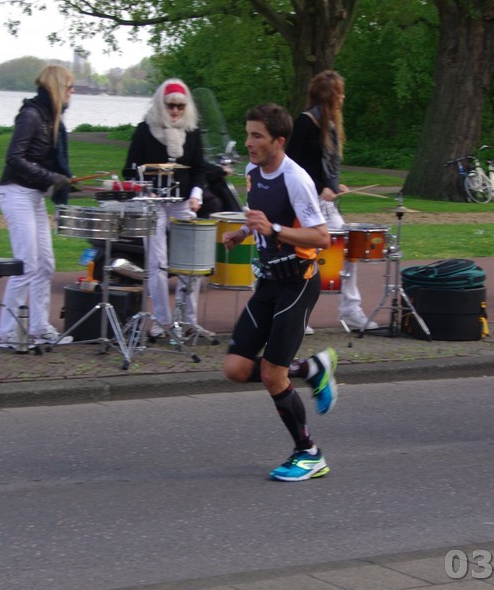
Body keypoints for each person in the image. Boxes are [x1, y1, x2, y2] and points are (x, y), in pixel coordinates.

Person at [221, 103, 339, 482]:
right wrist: (243, 232)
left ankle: (309, 453)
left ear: (279, 141)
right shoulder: (252, 171)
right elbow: (261, 217)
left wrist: (272, 230)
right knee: (236, 368)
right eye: (247, 134)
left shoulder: (296, 179)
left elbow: (321, 237)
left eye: (257, 136)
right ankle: (311, 368)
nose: (248, 142)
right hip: (269, 281)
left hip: (298, 283)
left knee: (273, 375)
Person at [125, 79, 227, 339]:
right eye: (170, 106)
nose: (175, 111)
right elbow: (130, 169)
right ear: (161, 104)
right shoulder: (145, 130)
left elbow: (199, 168)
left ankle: (188, 319)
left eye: (180, 107)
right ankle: (161, 321)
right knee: (156, 262)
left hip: (181, 201)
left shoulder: (191, 131)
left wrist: (195, 195)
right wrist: (144, 190)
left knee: (191, 260)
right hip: (153, 203)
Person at [285, 70, 378, 332]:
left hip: (324, 205)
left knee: (348, 249)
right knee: (302, 258)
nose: (343, 98)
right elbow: (292, 168)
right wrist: (319, 188)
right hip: (304, 205)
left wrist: (335, 186)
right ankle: (296, 314)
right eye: (339, 93)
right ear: (328, 96)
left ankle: (350, 310)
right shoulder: (304, 123)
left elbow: (325, 168)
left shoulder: (330, 126)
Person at [0, 65, 76, 347]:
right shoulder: (31, 115)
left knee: (45, 265)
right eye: (69, 87)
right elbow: (14, 158)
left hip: (35, 195)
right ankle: (8, 332)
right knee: (27, 264)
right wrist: (52, 177)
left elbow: (47, 161)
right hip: (16, 192)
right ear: (58, 87)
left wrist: (61, 178)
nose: (72, 92)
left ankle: (40, 327)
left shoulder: (52, 118)